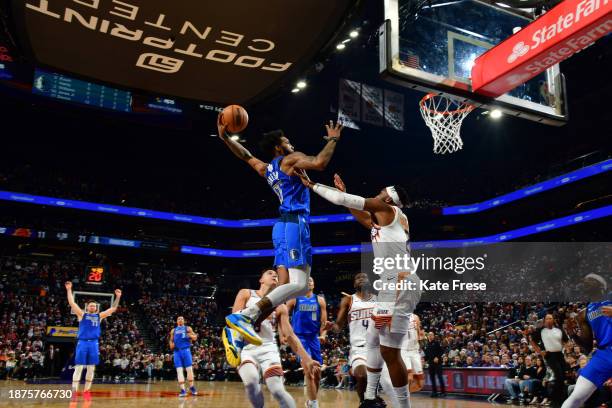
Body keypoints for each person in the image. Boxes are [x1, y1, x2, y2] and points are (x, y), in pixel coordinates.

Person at [218, 118, 344, 346]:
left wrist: (225, 138)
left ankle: (240, 330)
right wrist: (333, 139)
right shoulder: (290, 160)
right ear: (279, 147)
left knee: (302, 286)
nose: (292, 144)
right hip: (292, 223)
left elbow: (246, 155)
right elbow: (320, 162)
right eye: (287, 141)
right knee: (296, 285)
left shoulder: (267, 169)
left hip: (291, 226)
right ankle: (245, 316)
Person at [300, 173, 419, 408]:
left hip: (398, 285)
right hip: (392, 285)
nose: (378, 192)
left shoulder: (388, 210)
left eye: (382, 191)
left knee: (390, 353)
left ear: (388, 199)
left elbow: (351, 202)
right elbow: (364, 219)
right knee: (373, 339)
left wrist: (312, 185)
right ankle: (370, 398)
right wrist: (346, 197)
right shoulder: (387, 218)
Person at [224, 269, 321, 408]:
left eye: (276, 274)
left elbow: (290, 335)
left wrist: (307, 359)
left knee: (277, 389)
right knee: (251, 382)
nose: (274, 274)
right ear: (261, 280)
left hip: (268, 348)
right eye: (270, 273)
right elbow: (234, 322)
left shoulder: (281, 305)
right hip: (246, 347)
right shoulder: (246, 293)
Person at [561, 273, 611, 408]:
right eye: (583, 281)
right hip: (604, 354)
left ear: (601, 284)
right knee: (576, 398)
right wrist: (572, 334)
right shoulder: (584, 314)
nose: (585, 282)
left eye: (589, 280)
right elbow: (587, 347)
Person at [65, 281, 121, 397]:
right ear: (87, 307)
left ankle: (86, 390)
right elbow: (72, 303)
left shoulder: (99, 316)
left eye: (94, 306)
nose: (92, 307)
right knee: (79, 366)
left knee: (91, 368)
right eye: (91, 305)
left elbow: (113, 309)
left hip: (94, 343)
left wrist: (118, 297)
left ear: (96, 308)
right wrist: (69, 289)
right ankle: (74, 389)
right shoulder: (81, 314)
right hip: (82, 343)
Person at [326, 272, 376, 402]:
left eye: (364, 277)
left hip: (377, 347)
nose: (361, 279)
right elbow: (338, 326)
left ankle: (372, 399)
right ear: (354, 284)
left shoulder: (378, 299)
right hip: (359, 348)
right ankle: (364, 403)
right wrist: (332, 327)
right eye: (358, 278)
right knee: (362, 375)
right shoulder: (348, 300)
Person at [286, 277, 327, 408]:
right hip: (299, 338)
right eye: (307, 280)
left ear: (314, 284)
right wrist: (286, 334)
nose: (309, 282)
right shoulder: (294, 298)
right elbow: (284, 316)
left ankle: (311, 401)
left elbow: (324, 322)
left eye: (311, 280)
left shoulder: (320, 300)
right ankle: (314, 404)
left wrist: (324, 334)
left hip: (314, 338)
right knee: (308, 369)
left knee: (317, 372)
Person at [529, 314, 568, 407]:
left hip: (560, 354)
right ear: (544, 320)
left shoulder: (559, 329)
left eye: (551, 318)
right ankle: (555, 402)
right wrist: (540, 352)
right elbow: (532, 341)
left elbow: (566, 340)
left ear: (553, 320)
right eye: (547, 318)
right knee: (558, 376)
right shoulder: (541, 330)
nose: (549, 320)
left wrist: (565, 348)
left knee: (562, 378)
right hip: (549, 355)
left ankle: (561, 400)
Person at [169, 316, 198, 397]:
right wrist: (171, 345)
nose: (180, 320)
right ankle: (183, 390)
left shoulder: (188, 328)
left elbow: (195, 337)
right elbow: (171, 340)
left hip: (186, 350)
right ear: (176, 321)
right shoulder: (173, 330)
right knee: (179, 370)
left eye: (182, 319)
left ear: (184, 321)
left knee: (189, 370)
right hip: (177, 352)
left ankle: (192, 387)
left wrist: (191, 336)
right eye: (178, 319)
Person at [424, 332, 446, 398]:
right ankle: (434, 392)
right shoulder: (427, 344)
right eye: (429, 335)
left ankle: (443, 392)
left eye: (431, 335)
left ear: (433, 336)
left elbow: (442, 351)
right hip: (431, 364)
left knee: (440, 377)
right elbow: (427, 355)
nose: (430, 336)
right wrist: (424, 360)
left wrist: (437, 357)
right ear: (427, 336)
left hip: (438, 363)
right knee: (432, 378)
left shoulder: (436, 343)